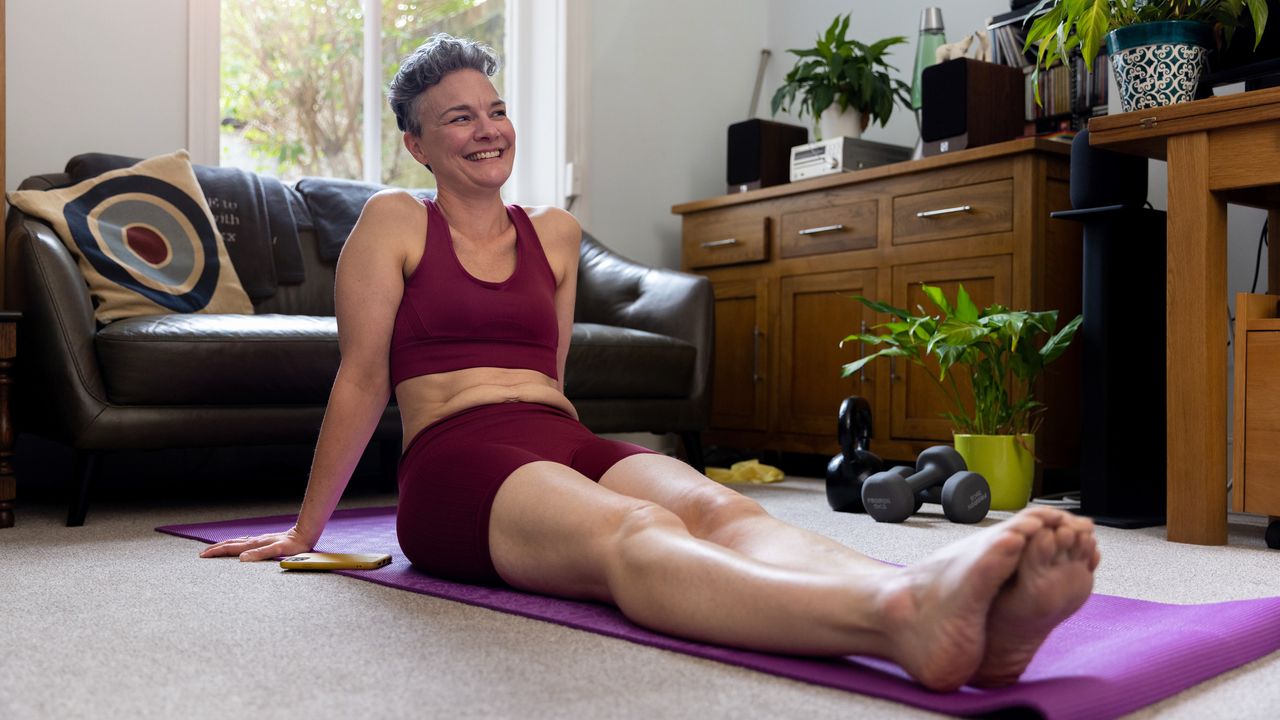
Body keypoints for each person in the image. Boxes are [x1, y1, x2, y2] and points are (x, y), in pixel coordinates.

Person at [200, 33, 1100, 692]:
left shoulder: (551, 235)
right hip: (454, 466)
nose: (486, 130)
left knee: (716, 504)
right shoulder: (393, 221)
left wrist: (584, 453)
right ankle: (898, 622)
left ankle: (926, 589)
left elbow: (550, 384)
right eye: (457, 118)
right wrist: (308, 530)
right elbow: (359, 380)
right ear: (418, 143)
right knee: (634, 536)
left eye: (496, 109)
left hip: (556, 436)